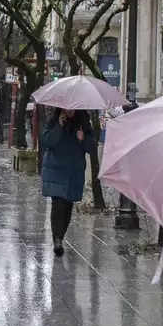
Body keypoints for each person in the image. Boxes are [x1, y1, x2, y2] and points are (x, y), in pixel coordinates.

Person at [40, 107, 96, 257]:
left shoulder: (83, 122)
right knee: (58, 203)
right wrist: (59, 126)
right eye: (67, 108)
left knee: (67, 206)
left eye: (73, 109)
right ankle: (57, 240)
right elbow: (47, 141)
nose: (69, 111)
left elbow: (92, 146)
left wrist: (83, 138)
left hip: (73, 171)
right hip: (56, 169)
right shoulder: (54, 121)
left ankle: (60, 236)